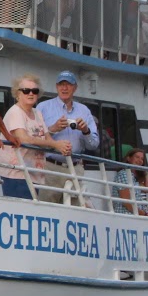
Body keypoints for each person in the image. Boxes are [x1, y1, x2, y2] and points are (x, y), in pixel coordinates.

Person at [33, 70, 101, 204]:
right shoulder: (43, 107)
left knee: (75, 211)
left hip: (75, 168)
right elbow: (35, 138)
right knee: (47, 209)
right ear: (56, 87)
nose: (64, 88)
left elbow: (93, 145)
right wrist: (53, 128)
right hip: (50, 167)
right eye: (61, 84)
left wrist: (85, 130)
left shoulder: (84, 111)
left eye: (68, 84)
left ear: (75, 88)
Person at [0, 75, 71, 200]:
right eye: (26, 91)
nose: (31, 94)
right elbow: (23, 139)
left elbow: (47, 138)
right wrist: (55, 145)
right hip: (16, 173)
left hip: (33, 173)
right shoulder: (15, 112)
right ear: (18, 93)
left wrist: (62, 146)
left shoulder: (37, 113)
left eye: (35, 91)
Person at [109, 145, 148, 214]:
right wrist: (144, 214)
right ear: (128, 158)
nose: (140, 160)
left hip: (134, 214)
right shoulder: (124, 174)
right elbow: (127, 203)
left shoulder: (133, 177)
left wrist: (144, 171)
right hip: (126, 214)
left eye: (142, 159)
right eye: (137, 157)